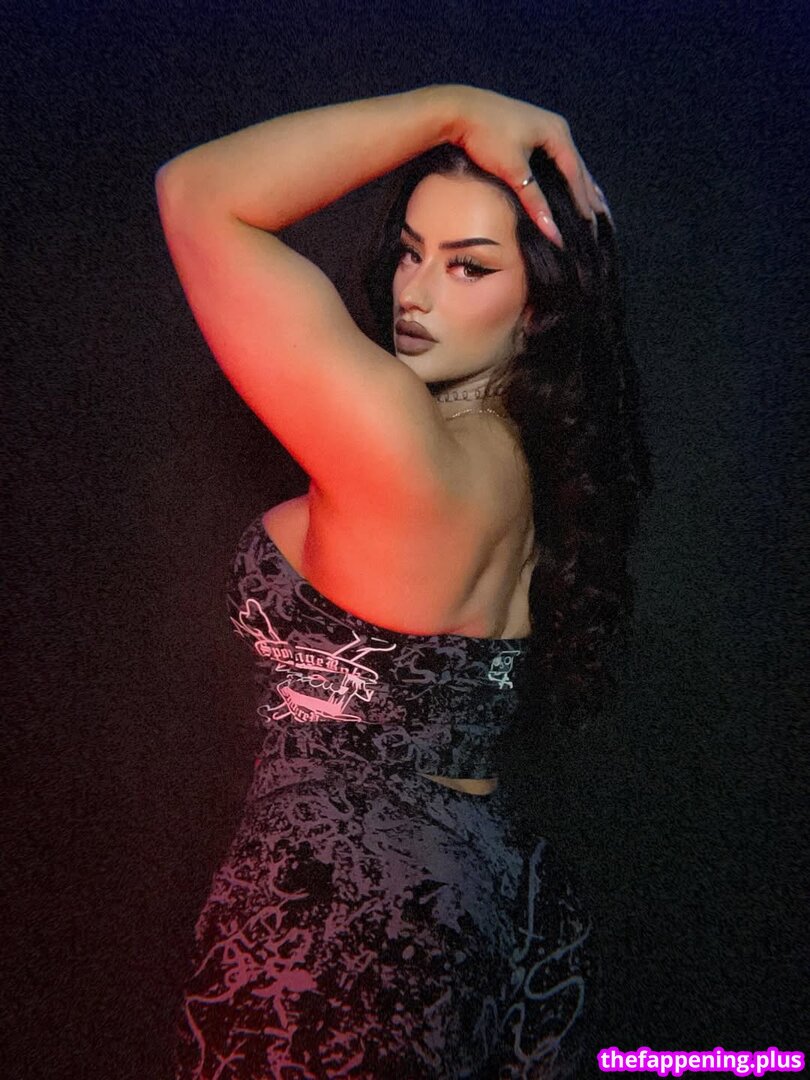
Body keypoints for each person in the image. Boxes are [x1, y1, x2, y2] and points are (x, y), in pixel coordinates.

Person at [156, 84, 650, 1079]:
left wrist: (453, 110)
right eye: (412, 253)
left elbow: (197, 194)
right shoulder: (532, 473)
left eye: (469, 265)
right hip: (500, 905)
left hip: (349, 920)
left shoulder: (404, 445)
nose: (414, 293)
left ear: (541, 304)